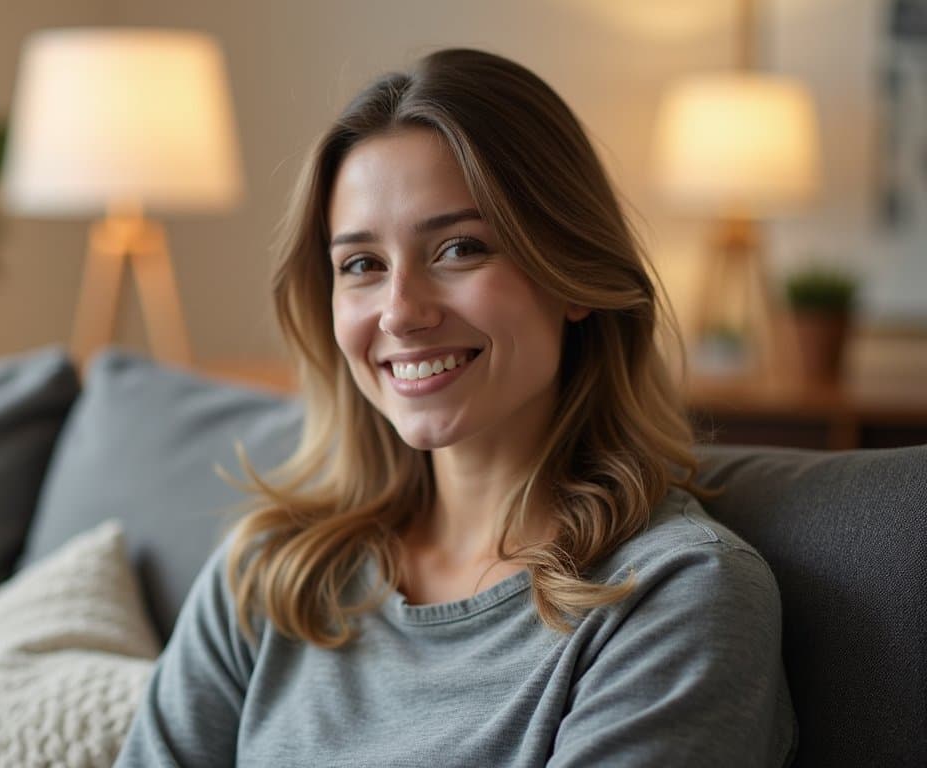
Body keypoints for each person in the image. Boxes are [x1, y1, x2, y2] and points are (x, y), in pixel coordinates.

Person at [113, 48, 797, 767]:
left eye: (459, 248)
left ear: (573, 279)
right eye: (362, 265)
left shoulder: (677, 596)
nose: (401, 312)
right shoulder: (271, 572)